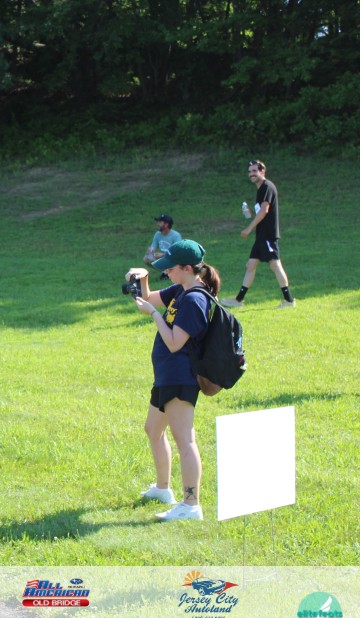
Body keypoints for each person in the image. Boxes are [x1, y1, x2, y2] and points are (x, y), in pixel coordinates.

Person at [126, 239, 220, 521]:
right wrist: (142, 278)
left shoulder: (195, 300)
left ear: (187, 268)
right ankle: (163, 489)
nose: (166, 272)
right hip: (166, 376)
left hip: (181, 378)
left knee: (185, 440)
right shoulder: (181, 289)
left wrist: (154, 315)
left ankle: (191, 505)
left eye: (170, 268)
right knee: (153, 430)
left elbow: (175, 342)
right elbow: (149, 297)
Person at [220, 160, 296, 309]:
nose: (251, 174)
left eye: (254, 171)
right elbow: (261, 212)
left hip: (268, 235)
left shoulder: (266, 187)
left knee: (275, 265)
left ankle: (289, 301)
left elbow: (264, 210)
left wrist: (249, 228)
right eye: (249, 172)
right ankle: (238, 300)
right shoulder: (261, 189)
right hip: (261, 235)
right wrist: (250, 212)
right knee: (251, 265)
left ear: (262, 171)